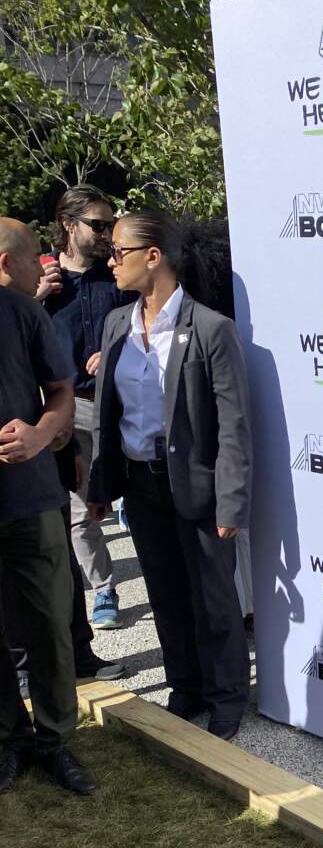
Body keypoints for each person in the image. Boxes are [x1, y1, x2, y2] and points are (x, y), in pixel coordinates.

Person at [87, 210, 252, 740]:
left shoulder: (209, 329)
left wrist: (230, 502)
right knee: (164, 592)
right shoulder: (116, 325)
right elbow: (110, 416)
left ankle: (227, 695)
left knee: (213, 599)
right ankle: (186, 687)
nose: (109, 261)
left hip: (196, 486)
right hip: (140, 484)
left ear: (152, 257)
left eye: (119, 251)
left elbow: (233, 424)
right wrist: (100, 487)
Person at [0, 218, 97, 796]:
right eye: (38, 257)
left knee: (50, 625)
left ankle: (55, 738)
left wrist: (41, 433)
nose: (46, 266)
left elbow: (61, 392)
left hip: (31, 498)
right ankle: (9, 740)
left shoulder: (20, 313)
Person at [37, 184, 133, 632]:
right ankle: (104, 588)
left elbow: (144, 323)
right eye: (98, 224)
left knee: (137, 495)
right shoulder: (45, 280)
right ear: (68, 225)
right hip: (69, 406)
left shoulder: (116, 274)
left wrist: (115, 351)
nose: (106, 233)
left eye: (110, 224)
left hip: (122, 402)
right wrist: (34, 297)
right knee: (80, 508)